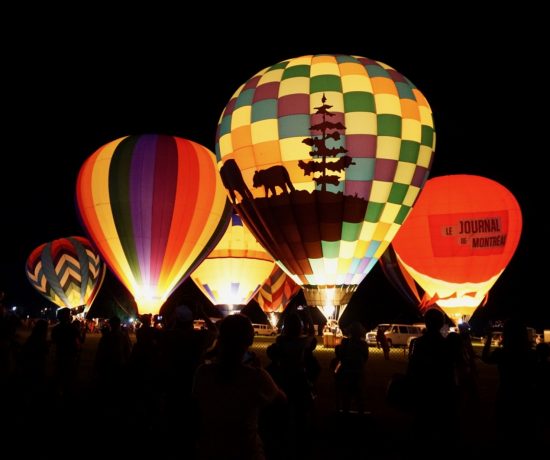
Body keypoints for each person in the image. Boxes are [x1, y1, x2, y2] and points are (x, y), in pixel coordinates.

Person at [193, 314, 285, 460]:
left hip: (210, 450)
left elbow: (196, 410)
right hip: (247, 451)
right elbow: (281, 402)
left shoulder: (202, 372)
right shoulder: (256, 376)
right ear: (250, 339)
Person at [334, 321, 369, 414]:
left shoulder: (345, 343)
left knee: (346, 396)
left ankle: (345, 414)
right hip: (358, 372)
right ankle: (360, 415)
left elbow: (340, 355)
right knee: (359, 397)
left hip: (347, 372)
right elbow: (365, 357)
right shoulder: (363, 344)